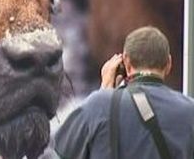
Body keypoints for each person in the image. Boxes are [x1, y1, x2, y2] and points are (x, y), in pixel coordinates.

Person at [54, 26, 194, 159]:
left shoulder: (100, 105)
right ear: (168, 63)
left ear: (126, 62)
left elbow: (57, 152)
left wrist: (104, 92)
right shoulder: (190, 110)